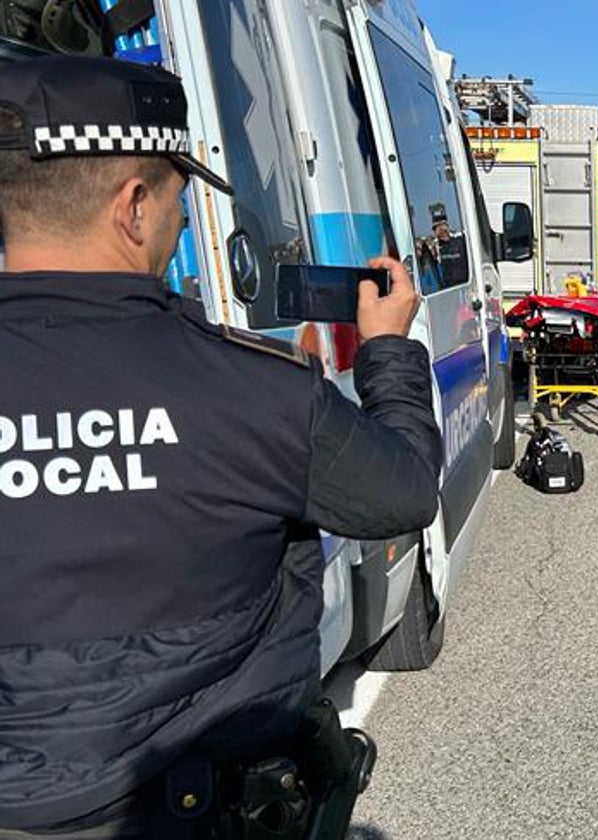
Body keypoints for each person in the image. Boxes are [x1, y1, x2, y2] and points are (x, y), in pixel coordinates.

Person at [0, 56, 442, 836]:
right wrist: (387, 351)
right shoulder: (255, 392)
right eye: (177, 197)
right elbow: (402, 490)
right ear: (133, 206)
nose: (176, 221)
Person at [432, 211, 469, 288]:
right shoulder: (435, 247)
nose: (440, 229)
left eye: (442, 224)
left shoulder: (460, 241)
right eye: (436, 227)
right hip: (447, 287)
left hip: (464, 283)